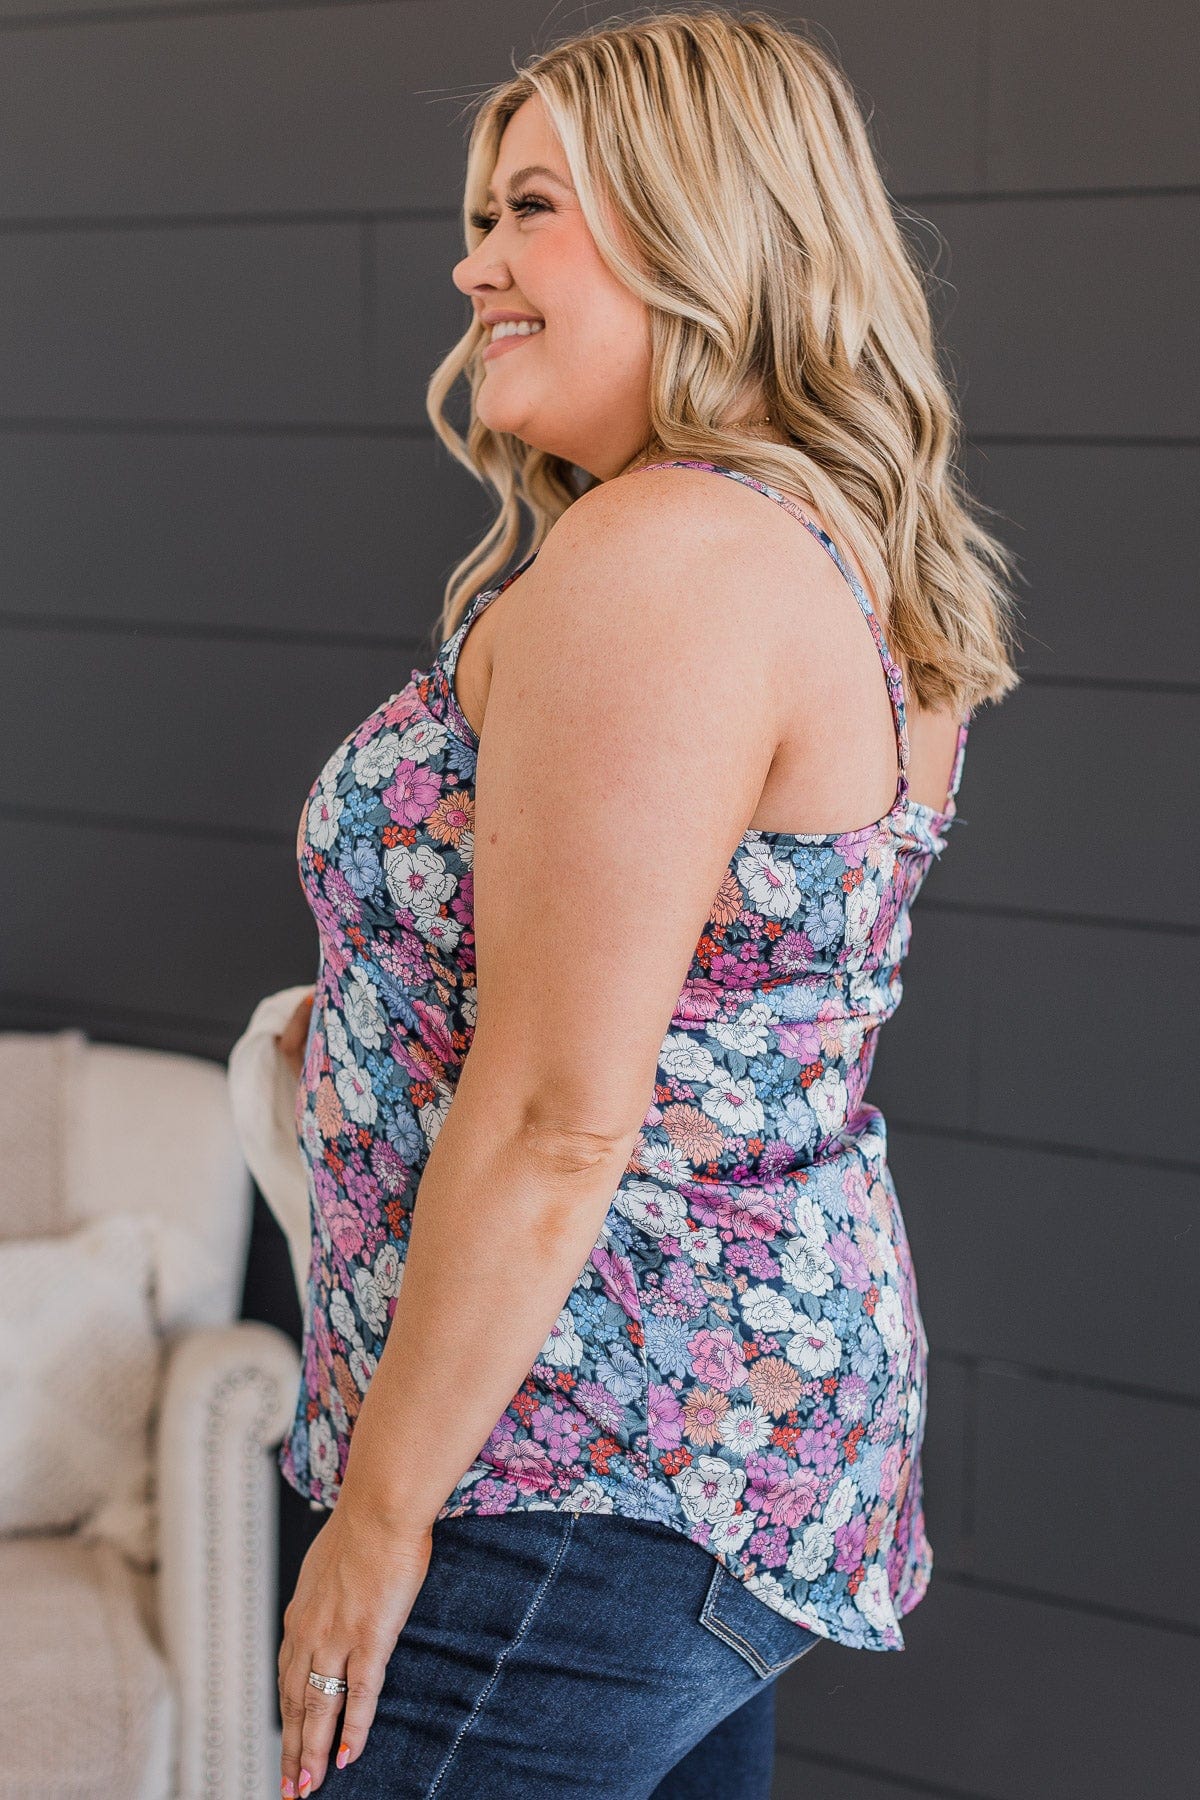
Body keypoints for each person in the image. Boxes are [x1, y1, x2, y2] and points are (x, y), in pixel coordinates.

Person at [270, 9, 1018, 1797]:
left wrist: (379, 1518)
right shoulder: (818, 548)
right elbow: (723, 1015)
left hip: (567, 1465)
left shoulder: (665, 560)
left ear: (704, 218)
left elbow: (556, 1114)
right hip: (715, 1462)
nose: (473, 264)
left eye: (530, 208)